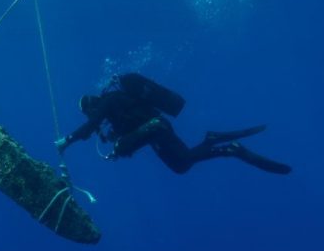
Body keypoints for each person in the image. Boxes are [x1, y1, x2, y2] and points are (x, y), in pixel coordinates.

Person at [56, 73, 292, 175]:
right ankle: (223, 146)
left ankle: (227, 147)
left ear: (91, 106)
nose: (90, 117)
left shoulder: (109, 101)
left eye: (88, 112)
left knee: (123, 148)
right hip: (157, 130)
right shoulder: (114, 108)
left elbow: (90, 127)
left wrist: (66, 141)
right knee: (182, 165)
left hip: (157, 128)